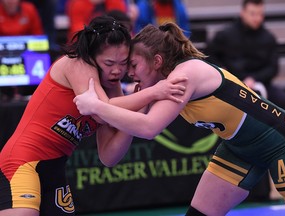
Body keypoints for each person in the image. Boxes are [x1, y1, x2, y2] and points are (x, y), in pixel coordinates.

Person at [74, 21, 285, 215]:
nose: (128, 73)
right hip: (239, 149)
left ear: (157, 61)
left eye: (133, 65)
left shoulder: (184, 75)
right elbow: (128, 128)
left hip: (281, 141)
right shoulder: (163, 85)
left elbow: (149, 128)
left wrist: (96, 106)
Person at [0, 15, 185, 216]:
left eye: (123, 63)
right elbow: (100, 110)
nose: (117, 71)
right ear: (92, 56)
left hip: (53, 171)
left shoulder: (112, 88)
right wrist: (153, 92)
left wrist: (139, 107)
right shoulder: (77, 64)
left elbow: (109, 156)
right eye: (109, 63)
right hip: (22, 160)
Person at [205, 0, 285, 110]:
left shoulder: (269, 38)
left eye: (260, 14)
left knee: (284, 100)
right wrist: (223, 73)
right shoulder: (225, 35)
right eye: (253, 14)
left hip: (260, 84)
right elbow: (209, 56)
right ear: (243, 12)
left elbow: (272, 68)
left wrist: (253, 79)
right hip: (230, 84)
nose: (257, 18)